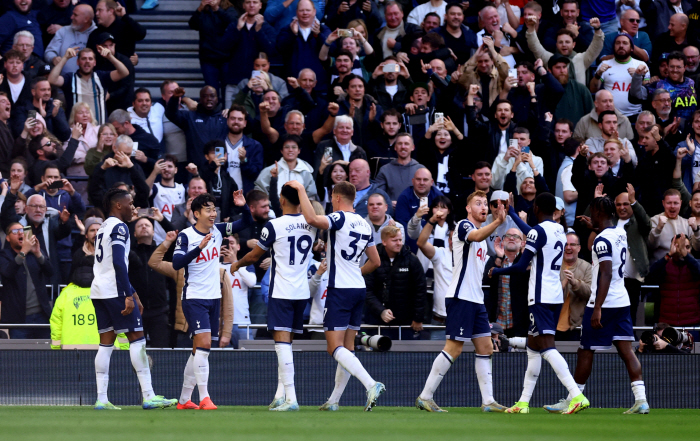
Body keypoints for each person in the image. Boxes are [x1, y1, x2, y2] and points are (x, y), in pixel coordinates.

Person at [286, 179, 384, 412]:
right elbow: (376, 261)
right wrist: (355, 272)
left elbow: (311, 219)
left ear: (337, 198)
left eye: (332, 197)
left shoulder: (338, 218)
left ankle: (371, 384)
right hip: (358, 288)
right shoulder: (364, 223)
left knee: (333, 348)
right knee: (347, 348)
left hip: (339, 289)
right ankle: (334, 400)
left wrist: (300, 189)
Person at [545, 197, 649, 414]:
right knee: (626, 350)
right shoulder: (619, 232)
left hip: (604, 302)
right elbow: (609, 242)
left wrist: (598, 307)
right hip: (622, 300)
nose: (590, 214)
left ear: (599, 212)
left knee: (585, 349)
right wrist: (595, 226)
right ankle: (641, 400)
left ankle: (575, 397)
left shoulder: (601, 241)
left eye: (593, 211)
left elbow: (606, 272)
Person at [490, 193, 589, 414]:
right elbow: (533, 234)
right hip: (555, 296)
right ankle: (523, 403)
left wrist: (498, 270)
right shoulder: (559, 230)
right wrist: (513, 214)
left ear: (535, 208)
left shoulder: (539, 232)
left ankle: (576, 395)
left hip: (540, 296)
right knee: (534, 348)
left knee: (546, 347)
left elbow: (518, 266)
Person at [416, 190, 508, 413]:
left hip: (475, 299)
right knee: (454, 349)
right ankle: (425, 396)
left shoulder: (480, 234)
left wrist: (498, 256)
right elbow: (475, 237)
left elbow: (479, 265)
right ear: (468, 208)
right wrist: (497, 221)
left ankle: (488, 401)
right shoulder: (465, 226)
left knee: (486, 347)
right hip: (461, 297)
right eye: (478, 203)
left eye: (485, 203)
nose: (483, 207)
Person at [230, 184, 316, 411]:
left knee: (281, 345)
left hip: (281, 291)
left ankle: (292, 399)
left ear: (282, 200)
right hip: (302, 292)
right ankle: (281, 394)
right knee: (287, 344)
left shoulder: (274, 225)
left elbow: (255, 255)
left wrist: (236, 263)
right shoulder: (312, 223)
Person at [90, 188, 177, 410]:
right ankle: (148, 396)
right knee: (137, 339)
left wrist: (133, 292)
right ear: (118, 205)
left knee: (105, 343)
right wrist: (127, 295)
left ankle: (101, 399)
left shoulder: (102, 227)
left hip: (99, 290)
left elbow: (110, 263)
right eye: (130, 203)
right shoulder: (119, 227)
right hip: (115, 291)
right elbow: (119, 262)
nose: (133, 207)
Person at [172, 191, 252, 410]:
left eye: (214, 209)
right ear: (196, 213)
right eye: (208, 209)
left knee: (199, 348)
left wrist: (243, 206)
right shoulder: (186, 236)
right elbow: (177, 263)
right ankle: (204, 397)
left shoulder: (218, 230)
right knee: (205, 344)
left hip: (213, 297)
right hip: (194, 297)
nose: (213, 213)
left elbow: (246, 222)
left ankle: (183, 400)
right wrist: (199, 248)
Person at [364, 225, 426, 339]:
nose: (399, 243)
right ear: (384, 241)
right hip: (377, 319)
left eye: (400, 240)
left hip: (406, 320)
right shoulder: (373, 260)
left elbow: (420, 290)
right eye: (394, 240)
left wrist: (418, 318)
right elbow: (367, 290)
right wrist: (380, 311)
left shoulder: (412, 260)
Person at [48, 46, 129, 124]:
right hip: (76, 131)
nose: (87, 61)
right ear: (78, 62)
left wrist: (110, 57)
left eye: (90, 59)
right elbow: (52, 80)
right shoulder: (70, 78)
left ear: (94, 63)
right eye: (83, 59)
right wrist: (65, 58)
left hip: (99, 131)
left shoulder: (102, 77)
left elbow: (124, 72)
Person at [0, 222, 53, 339]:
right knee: (21, 355)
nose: (20, 233)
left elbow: (50, 272)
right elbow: (8, 272)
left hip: (42, 316)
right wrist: (23, 252)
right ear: (8, 238)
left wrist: (38, 253)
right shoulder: (4, 255)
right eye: (15, 231)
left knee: (46, 354)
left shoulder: (34, 253)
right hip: (19, 318)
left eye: (22, 230)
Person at [275, 0, 331, 94]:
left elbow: (332, 49)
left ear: (314, 12)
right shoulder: (287, 30)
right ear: (296, 12)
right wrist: (293, 34)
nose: (305, 13)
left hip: (319, 87)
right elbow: (280, 48)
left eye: (308, 10)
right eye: (302, 10)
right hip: (293, 87)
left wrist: (318, 35)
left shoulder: (323, 29)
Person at [483, 227, 530, 337]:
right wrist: (499, 259)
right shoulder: (495, 259)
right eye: (508, 236)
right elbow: (486, 279)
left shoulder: (526, 262)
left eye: (516, 236)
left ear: (523, 243)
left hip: (519, 322)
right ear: (503, 241)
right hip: (497, 322)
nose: (512, 238)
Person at [590, 34, 650, 116]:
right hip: (610, 114)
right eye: (618, 43)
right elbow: (593, 90)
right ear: (613, 47)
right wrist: (598, 75)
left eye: (625, 43)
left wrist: (638, 76)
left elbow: (646, 92)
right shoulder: (604, 64)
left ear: (632, 48)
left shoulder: (641, 65)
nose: (621, 46)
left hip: (634, 114)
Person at [189, 0, 239, 99]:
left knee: (227, 91)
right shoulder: (203, 11)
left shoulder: (228, 9)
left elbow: (234, 23)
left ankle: (226, 112)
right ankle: (214, 113)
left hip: (226, 58)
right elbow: (193, 24)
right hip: (208, 59)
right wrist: (199, 9)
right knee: (211, 92)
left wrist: (217, 10)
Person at [554, 230, 592, 341]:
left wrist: (575, 283)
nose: (568, 247)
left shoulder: (587, 267)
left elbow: (591, 293)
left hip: (575, 326)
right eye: (565, 244)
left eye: (572, 244)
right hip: (552, 324)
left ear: (579, 248)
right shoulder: (553, 265)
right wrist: (564, 282)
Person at [43, 3, 97, 75]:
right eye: (72, 14)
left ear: (86, 19)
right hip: (64, 81)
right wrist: (53, 58)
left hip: (89, 80)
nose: (71, 17)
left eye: (75, 15)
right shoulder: (63, 31)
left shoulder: (97, 33)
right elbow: (49, 52)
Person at [374, 133, 424, 203]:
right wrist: (389, 203)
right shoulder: (385, 170)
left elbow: (430, 193)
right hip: (393, 212)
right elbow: (377, 196)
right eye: (400, 144)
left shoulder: (421, 170)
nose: (403, 147)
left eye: (406, 144)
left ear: (413, 147)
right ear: (395, 147)